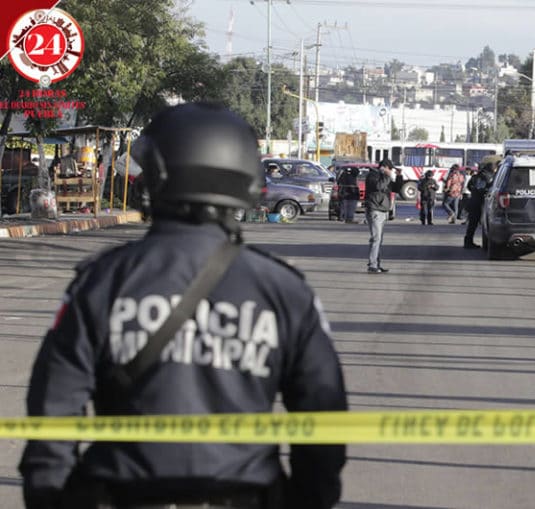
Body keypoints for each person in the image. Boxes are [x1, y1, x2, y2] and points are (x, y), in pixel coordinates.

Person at [19, 102, 348, 509]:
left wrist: (53, 498)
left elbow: (52, 411)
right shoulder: (283, 290)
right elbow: (323, 415)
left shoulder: (103, 282)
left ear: (159, 178)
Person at [365, 159, 403, 273]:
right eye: (390, 169)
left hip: (382, 210)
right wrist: (386, 175)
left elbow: (396, 189)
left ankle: (376, 264)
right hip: (375, 209)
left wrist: (399, 177)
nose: (391, 171)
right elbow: (379, 187)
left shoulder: (384, 177)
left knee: (379, 239)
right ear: (384, 167)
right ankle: (372, 265)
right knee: (376, 238)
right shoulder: (373, 175)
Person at [463, 160, 495, 249]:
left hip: (473, 201)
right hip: (481, 202)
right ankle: (470, 242)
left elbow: (469, 187)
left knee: (472, 223)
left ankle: (468, 241)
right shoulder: (489, 177)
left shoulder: (475, 176)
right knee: (479, 223)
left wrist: (475, 192)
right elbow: (489, 188)